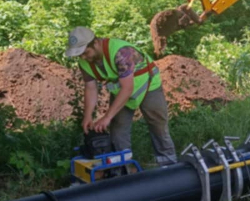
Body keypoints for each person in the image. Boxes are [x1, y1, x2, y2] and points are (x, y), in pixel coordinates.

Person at [65, 27, 178, 166]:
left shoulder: (121, 52)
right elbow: (90, 88)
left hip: (148, 86)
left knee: (158, 127)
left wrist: (107, 117)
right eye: (79, 55)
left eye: (85, 53)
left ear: (95, 43)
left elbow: (127, 88)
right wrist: (87, 116)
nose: (83, 58)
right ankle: (124, 169)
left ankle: (169, 165)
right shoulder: (84, 62)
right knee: (118, 129)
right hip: (122, 91)